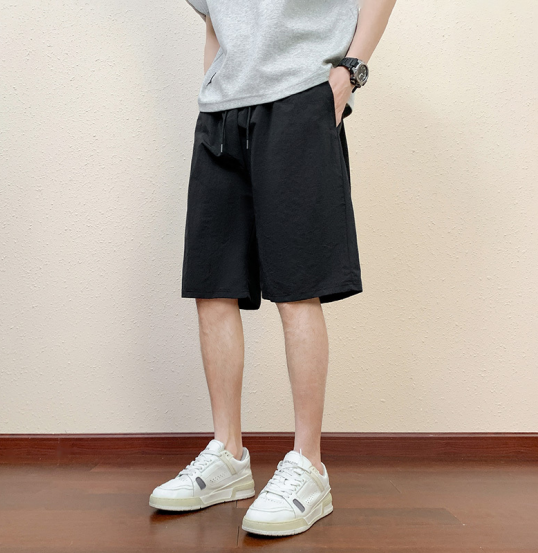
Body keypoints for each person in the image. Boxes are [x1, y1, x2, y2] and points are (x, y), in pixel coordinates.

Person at [150, 0, 397, 537]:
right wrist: (212, 89)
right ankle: (229, 455)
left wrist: (349, 73)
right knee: (213, 286)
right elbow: (216, 17)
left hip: (299, 96)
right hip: (221, 109)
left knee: (297, 286)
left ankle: (309, 465)